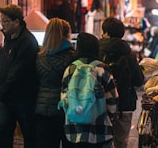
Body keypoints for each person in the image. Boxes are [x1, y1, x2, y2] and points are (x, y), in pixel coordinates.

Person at [61, 32, 118, 148]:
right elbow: (113, 101)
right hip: (100, 131)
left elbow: (64, 100)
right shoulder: (102, 69)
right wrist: (110, 117)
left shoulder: (70, 69)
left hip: (74, 131)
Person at [0, 4, 39, 148]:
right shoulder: (8, 38)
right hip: (7, 98)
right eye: (1, 20)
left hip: (23, 98)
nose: (2, 24)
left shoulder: (27, 41)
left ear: (16, 22)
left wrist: (2, 92)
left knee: (29, 134)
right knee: (3, 133)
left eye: (6, 21)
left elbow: (17, 71)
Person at [99, 17, 144, 148]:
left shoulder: (97, 51)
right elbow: (138, 80)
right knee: (121, 141)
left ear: (106, 32)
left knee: (103, 141)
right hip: (125, 103)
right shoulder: (129, 54)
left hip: (102, 103)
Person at [35, 18, 75, 147]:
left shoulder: (39, 57)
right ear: (66, 34)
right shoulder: (72, 57)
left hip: (42, 110)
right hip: (65, 110)